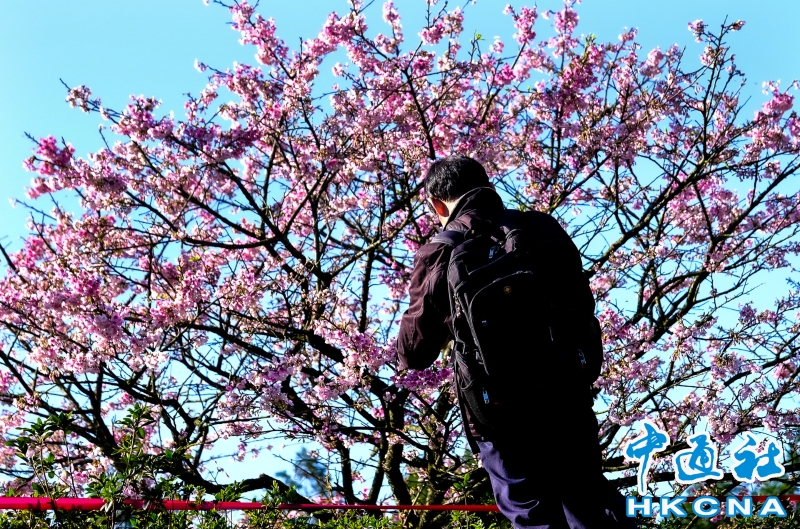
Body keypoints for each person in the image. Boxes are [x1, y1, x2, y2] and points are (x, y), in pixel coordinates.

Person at [396, 156, 634, 529]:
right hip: (566, 393)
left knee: (532, 515)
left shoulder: (442, 249)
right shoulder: (542, 227)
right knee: (590, 505)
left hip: (497, 410)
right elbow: (580, 305)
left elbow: (414, 352)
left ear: (438, 206)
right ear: (488, 186)